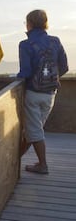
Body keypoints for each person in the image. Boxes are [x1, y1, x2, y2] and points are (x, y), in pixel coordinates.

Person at [18, 9, 68, 174]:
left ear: (29, 23)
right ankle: (15, 159)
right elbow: (64, 67)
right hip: (50, 94)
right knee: (35, 130)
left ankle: (42, 165)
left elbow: (25, 72)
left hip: (33, 93)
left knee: (34, 131)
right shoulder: (55, 41)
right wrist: (51, 78)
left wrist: (16, 79)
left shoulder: (25, 44)